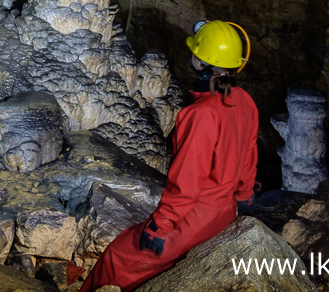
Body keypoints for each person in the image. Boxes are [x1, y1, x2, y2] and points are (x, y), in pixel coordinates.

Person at [80, 20, 258, 291]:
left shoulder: (200, 115)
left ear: (201, 62)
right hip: (224, 210)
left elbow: (187, 182)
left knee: (119, 258)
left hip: (195, 217)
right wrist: (244, 196)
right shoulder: (243, 99)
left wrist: (160, 227)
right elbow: (248, 152)